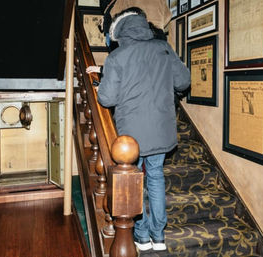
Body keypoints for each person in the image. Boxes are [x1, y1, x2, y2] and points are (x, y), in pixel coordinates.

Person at [97, 8, 190, 251]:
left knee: (134, 183)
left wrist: (103, 79)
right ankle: (159, 236)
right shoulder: (164, 49)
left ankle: (141, 235)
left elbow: (106, 99)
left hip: (132, 137)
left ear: (121, 31)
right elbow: (183, 81)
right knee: (156, 177)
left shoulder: (117, 57)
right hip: (161, 129)